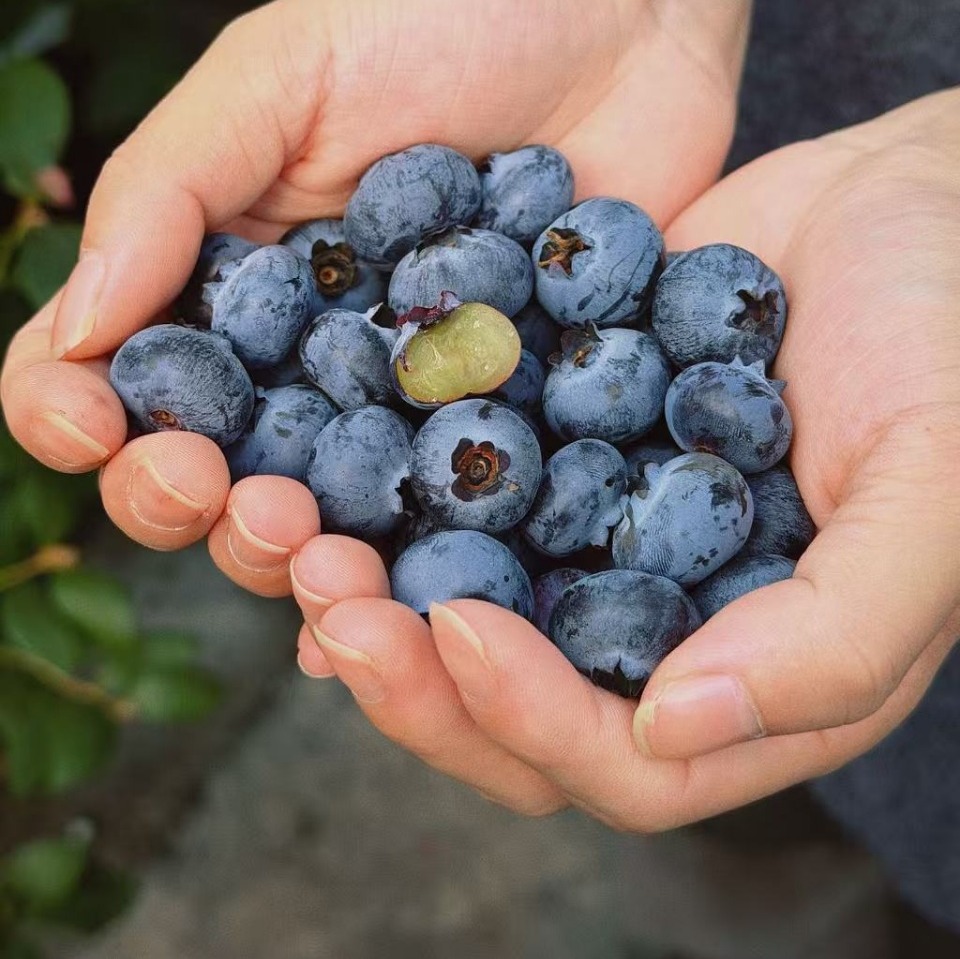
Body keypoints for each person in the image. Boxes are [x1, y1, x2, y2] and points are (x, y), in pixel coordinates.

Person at [2, 0, 958, 921]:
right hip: (729, 687)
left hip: (872, 576)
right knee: (730, 840)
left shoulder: (637, 403)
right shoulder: (402, 349)